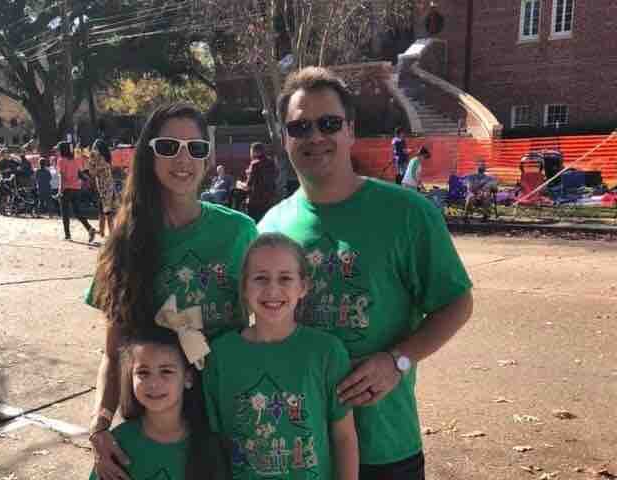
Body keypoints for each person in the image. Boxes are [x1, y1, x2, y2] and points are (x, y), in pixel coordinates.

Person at [259, 67, 473, 480]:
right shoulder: (269, 227)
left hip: (384, 446)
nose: (315, 136)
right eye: (300, 127)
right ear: (285, 138)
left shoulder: (407, 214)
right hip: (300, 448)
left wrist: (397, 361)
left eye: (329, 123)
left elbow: (456, 303)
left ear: (350, 131)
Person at [84, 102, 258, 480]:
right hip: (155, 425)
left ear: (207, 158)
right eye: (168, 147)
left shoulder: (240, 233)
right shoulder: (123, 243)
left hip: (228, 421)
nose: (183, 159)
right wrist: (99, 425)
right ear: (148, 155)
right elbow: (113, 353)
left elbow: (267, 328)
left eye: (195, 148)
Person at [203, 232, 359, 479]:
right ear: (244, 287)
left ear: (303, 287)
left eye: (285, 278)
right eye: (260, 278)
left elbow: (344, 437)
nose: (272, 289)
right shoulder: (220, 355)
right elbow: (218, 440)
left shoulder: (326, 351)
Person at [87, 327, 227, 480]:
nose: (153, 383)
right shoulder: (118, 443)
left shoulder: (209, 445)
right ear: (130, 376)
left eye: (166, 371)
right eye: (143, 372)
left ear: (188, 378)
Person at [56, 141, 97, 242]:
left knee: (65, 213)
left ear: (62, 150)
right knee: (78, 212)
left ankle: (67, 235)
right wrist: (87, 180)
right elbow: (79, 174)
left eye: (58, 149)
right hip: (76, 189)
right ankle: (89, 228)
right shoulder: (75, 160)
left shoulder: (61, 160)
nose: (57, 151)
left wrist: (60, 191)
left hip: (66, 189)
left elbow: (62, 176)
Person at [238, 143, 277, 222]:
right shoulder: (271, 163)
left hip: (255, 202)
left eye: (251, 151)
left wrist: (239, 184)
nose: (250, 154)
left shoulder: (255, 164)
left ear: (255, 152)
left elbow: (248, 186)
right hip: (269, 201)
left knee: (254, 224)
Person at [87, 138, 118, 236]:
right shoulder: (107, 157)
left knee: (105, 212)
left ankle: (106, 233)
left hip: (103, 189)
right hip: (110, 187)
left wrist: (93, 166)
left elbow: (92, 173)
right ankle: (103, 232)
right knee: (105, 212)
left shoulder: (96, 157)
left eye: (94, 147)